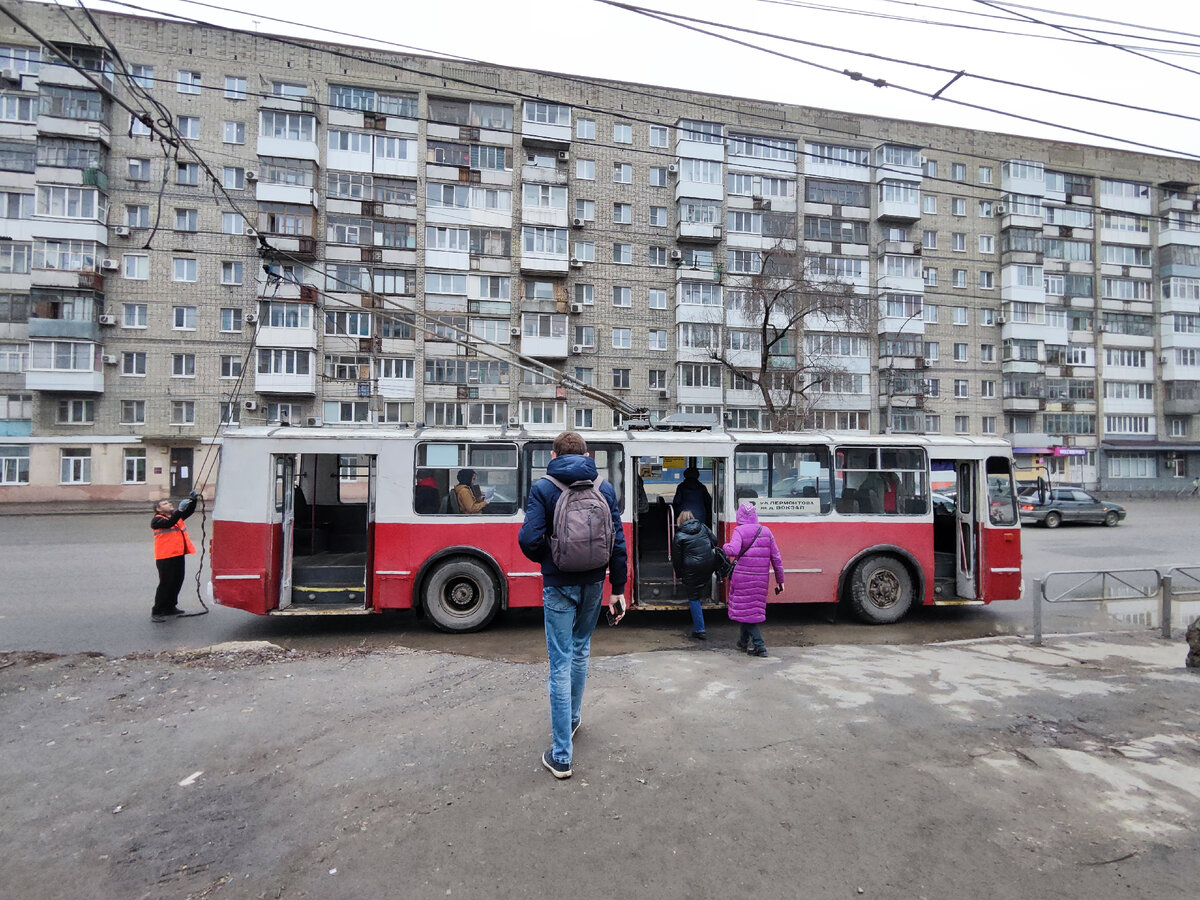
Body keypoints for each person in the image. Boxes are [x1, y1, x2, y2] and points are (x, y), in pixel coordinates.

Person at [518, 431, 627, 780]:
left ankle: (562, 756)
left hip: (558, 585)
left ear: (553, 453)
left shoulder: (544, 488)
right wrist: (618, 588)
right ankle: (574, 717)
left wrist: (550, 559)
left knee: (560, 663)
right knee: (580, 652)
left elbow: (529, 539)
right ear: (589, 454)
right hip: (595, 582)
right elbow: (619, 543)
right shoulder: (604, 488)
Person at [723, 502, 785, 657]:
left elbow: (733, 550)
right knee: (748, 611)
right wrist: (780, 580)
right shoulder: (766, 531)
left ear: (740, 515)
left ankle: (760, 646)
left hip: (743, 578)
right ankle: (743, 642)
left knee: (746, 611)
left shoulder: (739, 530)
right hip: (761, 580)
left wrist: (724, 546)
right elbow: (776, 557)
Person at [150, 491, 199, 622]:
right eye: (165, 503)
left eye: (168, 502)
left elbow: (188, 512)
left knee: (177, 581)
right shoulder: (157, 520)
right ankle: (157, 610)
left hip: (177, 555)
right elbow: (168, 523)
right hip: (165, 557)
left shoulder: (174, 517)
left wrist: (193, 500)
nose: (169, 503)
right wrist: (179, 510)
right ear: (158, 509)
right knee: (165, 584)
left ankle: (170, 606)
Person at [672, 509, 716, 640]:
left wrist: (680, 574)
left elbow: (677, 558)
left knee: (693, 598)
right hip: (708, 564)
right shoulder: (703, 527)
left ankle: (700, 629)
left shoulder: (679, 535)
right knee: (700, 587)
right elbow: (715, 540)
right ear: (692, 517)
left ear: (679, 520)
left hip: (691, 568)